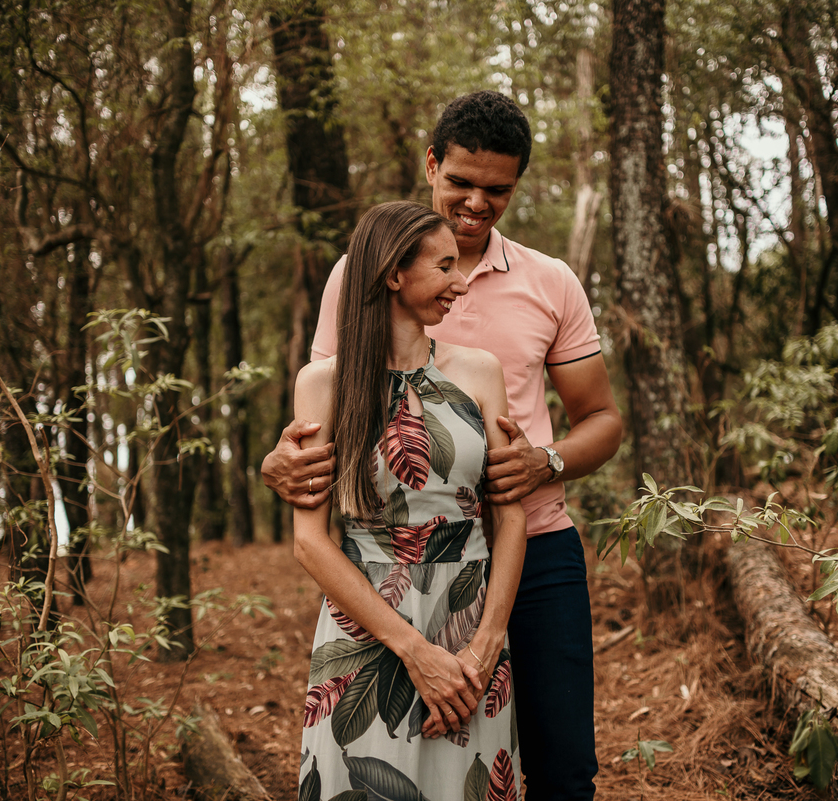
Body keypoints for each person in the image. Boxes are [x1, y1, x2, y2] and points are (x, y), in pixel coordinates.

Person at [267, 91, 622, 800]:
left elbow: (603, 419)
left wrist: (546, 461)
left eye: (498, 190)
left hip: (533, 546)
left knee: (560, 767)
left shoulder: (551, 281)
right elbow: (332, 410)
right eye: (461, 181)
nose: (477, 203)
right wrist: (281, 462)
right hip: (395, 567)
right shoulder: (357, 273)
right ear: (431, 164)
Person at [292, 201, 527, 800]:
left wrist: (485, 645)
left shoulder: (480, 373)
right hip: (366, 623)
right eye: (444, 266)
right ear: (394, 273)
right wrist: (412, 651)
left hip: (469, 620)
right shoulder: (323, 384)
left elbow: (509, 517)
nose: (460, 283)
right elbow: (310, 541)